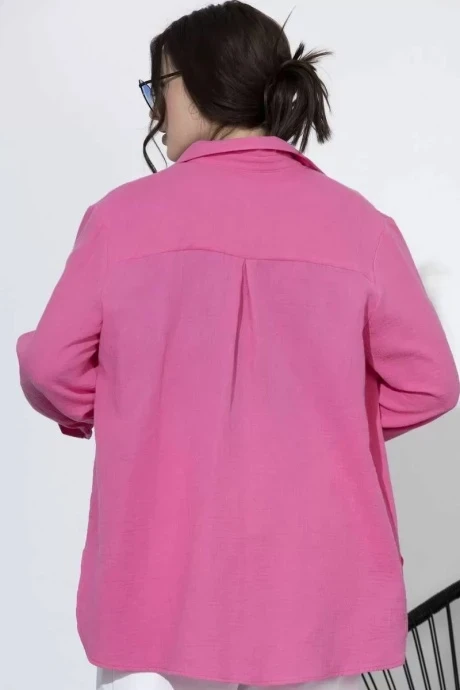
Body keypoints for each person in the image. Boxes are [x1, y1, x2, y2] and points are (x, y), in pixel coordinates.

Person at [16, 1, 459, 690]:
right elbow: (432, 381)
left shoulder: (120, 221)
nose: (155, 109)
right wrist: (332, 419)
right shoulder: (361, 227)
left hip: (158, 596)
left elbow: (49, 366)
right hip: (317, 596)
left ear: (199, 83)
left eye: (158, 86)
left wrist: (139, 407)